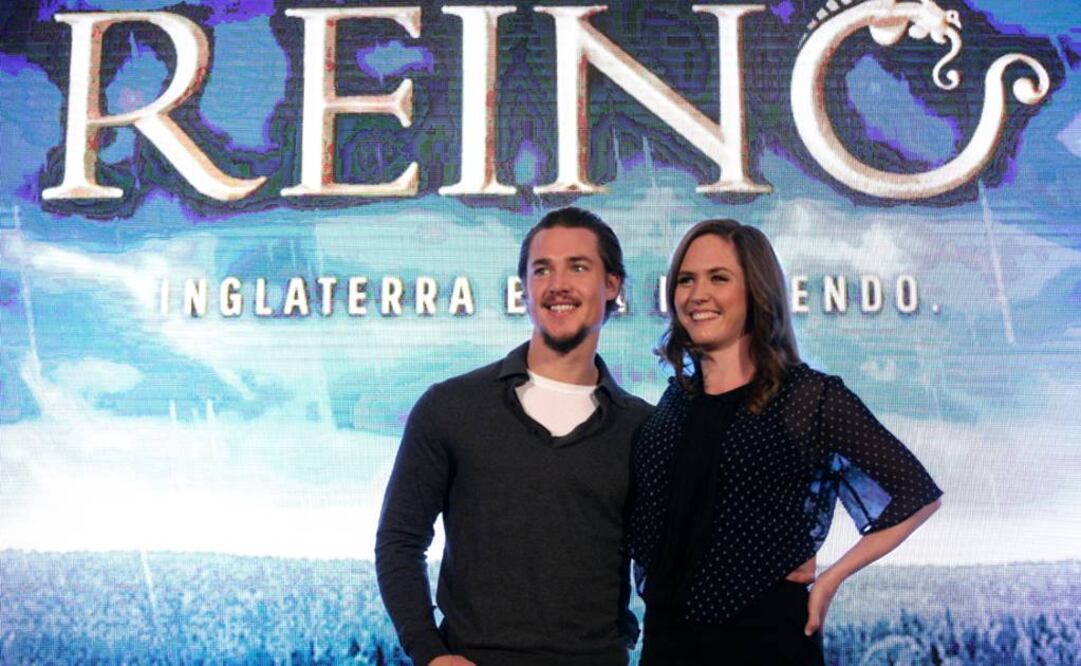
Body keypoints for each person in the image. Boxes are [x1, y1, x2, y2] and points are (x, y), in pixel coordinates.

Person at [626, 219, 943, 665]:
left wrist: (831, 578)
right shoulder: (677, 399)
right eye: (686, 279)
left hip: (765, 641)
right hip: (670, 641)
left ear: (756, 291)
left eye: (719, 278)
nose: (698, 294)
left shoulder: (807, 398)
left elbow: (917, 493)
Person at [375, 207, 653, 666]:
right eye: (542, 270)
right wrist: (430, 653)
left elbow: (662, 567)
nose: (557, 284)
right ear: (524, 288)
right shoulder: (451, 407)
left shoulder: (643, 428)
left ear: (612, 285)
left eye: (577, 267)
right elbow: (399, 541)